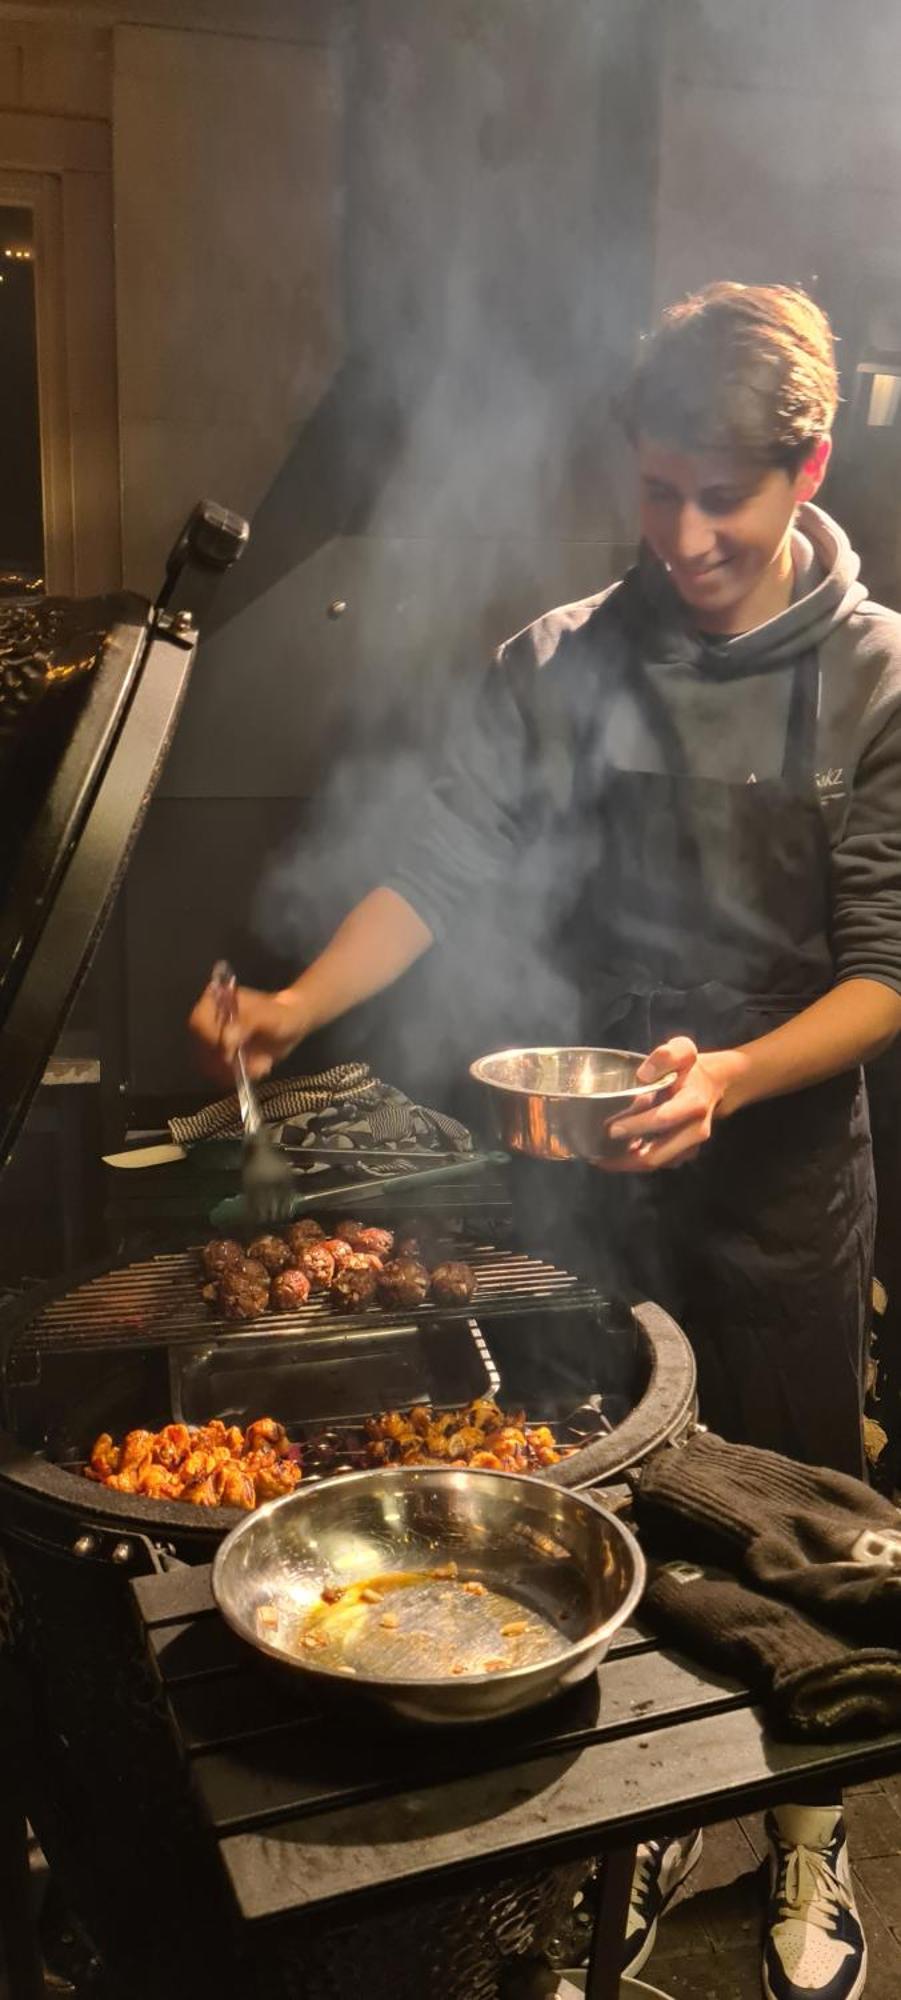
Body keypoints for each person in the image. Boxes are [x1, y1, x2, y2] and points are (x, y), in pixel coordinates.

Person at [191, 283, 901, 2000]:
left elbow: (889, 971)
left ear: (803, 468)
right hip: (586, 1184)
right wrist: (293, 1006)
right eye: (648, 490)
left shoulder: (879, 677)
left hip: (778, 1184)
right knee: (592, 1512)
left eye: (713, 500)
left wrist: (728, 1076)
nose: (676, 536)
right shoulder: (570, 651)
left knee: (795, 1527)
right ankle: (634, 1823)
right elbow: (446, 864)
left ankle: (806, 1845)